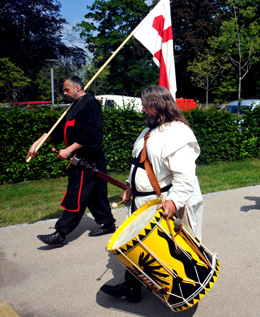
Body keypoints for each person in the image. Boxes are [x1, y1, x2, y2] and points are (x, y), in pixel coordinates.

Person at [100, 85, 204, 302]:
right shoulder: (148, 131)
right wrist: (130, 186)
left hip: (161, 202)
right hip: (142, 202)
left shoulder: (178, 133)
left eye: (146, 106)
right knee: (140, 248)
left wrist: (173, 202)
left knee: (171, 251)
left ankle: (186, 287)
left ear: (159, 105)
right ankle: (132, 287)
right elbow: (138, 162)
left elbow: (185, 177)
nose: (142, 110)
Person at [27, 76, 116, 246]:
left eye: (67, 89)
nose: (64, 93)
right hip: (79, 158)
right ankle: (108, 223)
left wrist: (69, 149)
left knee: (76, 194)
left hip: (88, 159)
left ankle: (61, 233)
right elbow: (57, 130)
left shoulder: (90, 104)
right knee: (95, 194)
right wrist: (37, 144)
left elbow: (93, 134)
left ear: (77, 87)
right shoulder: (73, 107)